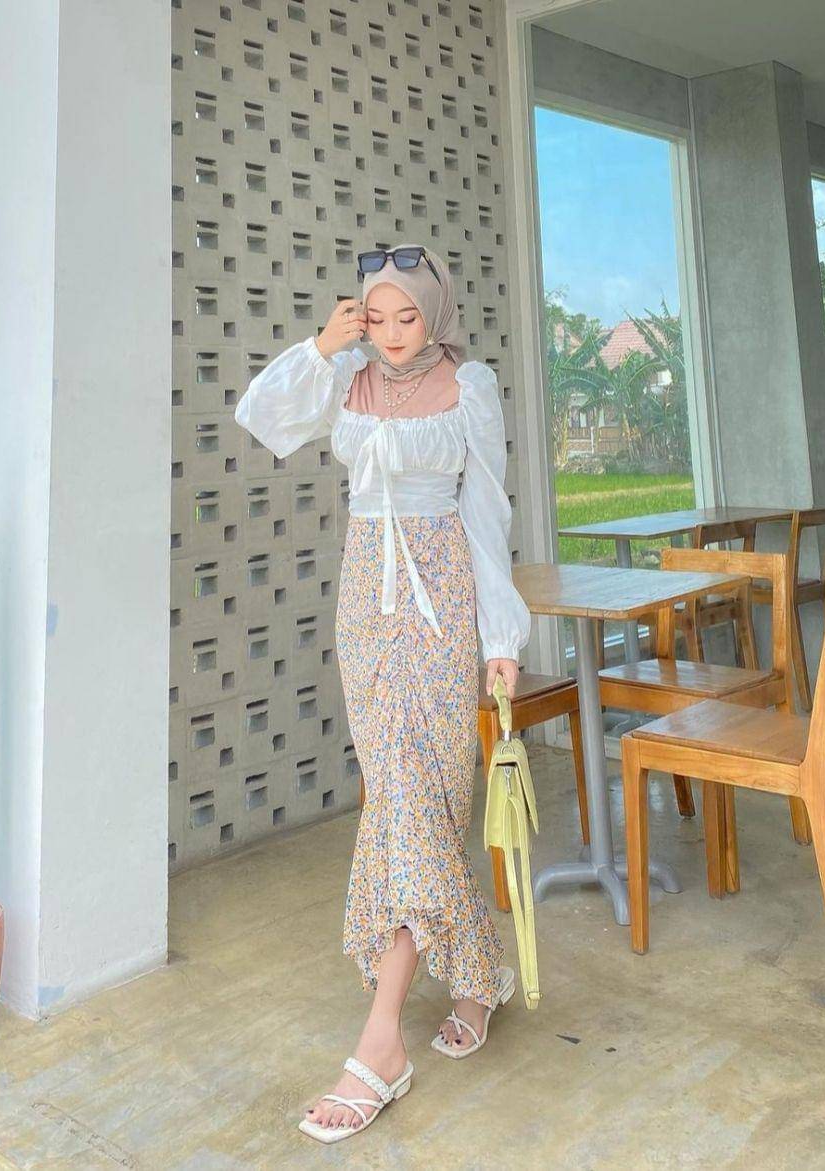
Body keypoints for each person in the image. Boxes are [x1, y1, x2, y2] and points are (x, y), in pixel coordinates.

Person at [233, 244, 532, 1144]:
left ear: (435, 314)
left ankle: (380, 1042)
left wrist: (502, 636)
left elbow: (488, 509)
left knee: (418, 796)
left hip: (442, 600)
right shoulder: (346, 375)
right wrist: (323, 347)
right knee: (404, 799)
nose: (396, 336)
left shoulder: (470, 385)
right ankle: (479, 976)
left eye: (410, 317)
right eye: (379, 318)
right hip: (367, 601)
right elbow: (261, 417)